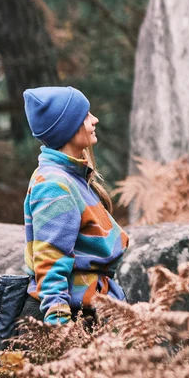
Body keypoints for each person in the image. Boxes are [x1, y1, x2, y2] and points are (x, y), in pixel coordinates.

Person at [21, 86, 129, 324]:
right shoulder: (53, 184)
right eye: (86, 115)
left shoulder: (70, 177)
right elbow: (50, 262)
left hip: (88, 310)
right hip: (74, 317)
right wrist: (59, 328)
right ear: (67, 128)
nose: (95, 120)